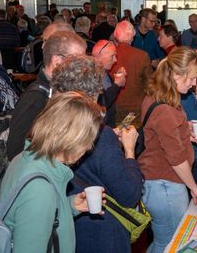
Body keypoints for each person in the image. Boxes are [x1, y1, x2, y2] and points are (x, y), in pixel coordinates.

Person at [50, 55, 143, 253]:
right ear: (94, 93)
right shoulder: (101, 136)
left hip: (66, 227)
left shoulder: (48, 126)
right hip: (102, 233)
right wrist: (129, 150)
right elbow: (129, 195)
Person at [0, 91, 104, 253]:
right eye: (88, 141)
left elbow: (31, 218)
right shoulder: (40, 189)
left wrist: (70, 205)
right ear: (71, 138)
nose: (89, 147)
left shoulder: (24, 158)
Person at [139, 47, 197, 252]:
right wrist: (193, 187)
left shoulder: (160, 96)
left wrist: (184, 131)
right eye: (192, 79)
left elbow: (161, 134)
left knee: (164, 241)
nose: (194, 83)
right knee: (169, 243)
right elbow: (176, 159)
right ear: (176, 75)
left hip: (159, 182)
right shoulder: (166, 110)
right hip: (165, 184)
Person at [7, 28, 86, 161]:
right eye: (78, 62)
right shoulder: (36, 99)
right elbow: (15, 152)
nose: (82, 68)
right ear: (57, 62)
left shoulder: (56, 91)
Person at [111, 21, 152, 125]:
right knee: (129, 136)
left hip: (113, 108)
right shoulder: (142, 56)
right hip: (134, 111)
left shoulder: (109, 56)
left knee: (116, 136)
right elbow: (150, 84)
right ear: (132, 36)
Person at [92, 40, 126, 127]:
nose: (115, 60)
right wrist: (117, 84)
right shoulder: (90, 76)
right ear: (99, 55)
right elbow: (101, 103)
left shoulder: (105, 73)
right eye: (112, 56)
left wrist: (116, 80)